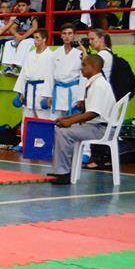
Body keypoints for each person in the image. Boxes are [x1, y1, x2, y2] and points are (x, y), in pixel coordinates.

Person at [49, 54, 116, 184]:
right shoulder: (96, 83)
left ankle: (63, 173)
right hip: (96, 126)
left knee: (64, 132)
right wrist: (67, 118)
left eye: (84, 65)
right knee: (62, 128)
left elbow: (93, 113)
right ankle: (62, 170)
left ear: (95, 67)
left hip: (102, 129)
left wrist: (69, 122)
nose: (81, 68)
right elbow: (88, 112)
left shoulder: (99, 85)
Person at [13, 29, 55, 122]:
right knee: (27, 121)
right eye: (34, 38)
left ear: (44, 39)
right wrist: (20, 92)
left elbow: (51, 77)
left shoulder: (51, 55)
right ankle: (26, 137)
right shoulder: (29, 55)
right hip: (29, 91)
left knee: (44, 120)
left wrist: (49, 96)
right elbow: (23, 74)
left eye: (37, 38)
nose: (35, 40)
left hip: (42, 91)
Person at [50, 23, 87, 118]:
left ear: (74, 35)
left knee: (72, 123)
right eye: (64, 33)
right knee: (54, 122)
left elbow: (83, 77)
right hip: (57, 92)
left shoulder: (80, 54)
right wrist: (48, 94)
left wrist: (81, 97)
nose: (67, 36)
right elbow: (50, 75)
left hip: (73, 92)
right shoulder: (55, 53)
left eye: (70, 33)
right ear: (61, 35)